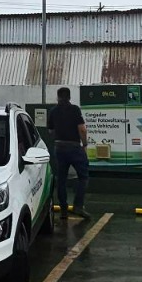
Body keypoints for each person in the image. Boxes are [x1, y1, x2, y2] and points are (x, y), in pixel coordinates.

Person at [47, 87, 90, 219]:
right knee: (83, 177)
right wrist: (85, 144)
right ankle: (78, 206)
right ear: (69, 97)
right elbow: (82, 129)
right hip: (75, 147)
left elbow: (50, 131)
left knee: (61, 179)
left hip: (59, 148)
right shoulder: (75, 109)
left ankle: (64, 210)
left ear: (58, 97)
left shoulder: (53, 111)